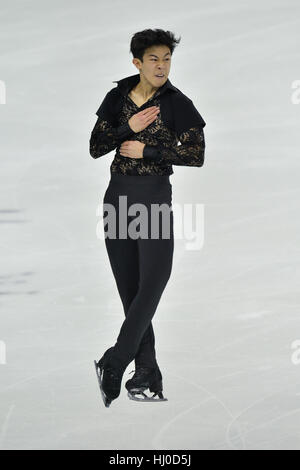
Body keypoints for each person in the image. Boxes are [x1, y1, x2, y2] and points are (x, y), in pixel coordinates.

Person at [90, 28, 206, 407]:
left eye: (167, 59)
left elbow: (195, 154)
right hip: (117, 200)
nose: (161, 66)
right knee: (132, 290)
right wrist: (128, 128)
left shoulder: (177, 103)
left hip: (154, 199)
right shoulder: (117, 97)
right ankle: (147, 373)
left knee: (154, 280)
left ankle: (116, 360)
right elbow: (96, 147)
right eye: (154, 59)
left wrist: (149, 151)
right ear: (137, 62)